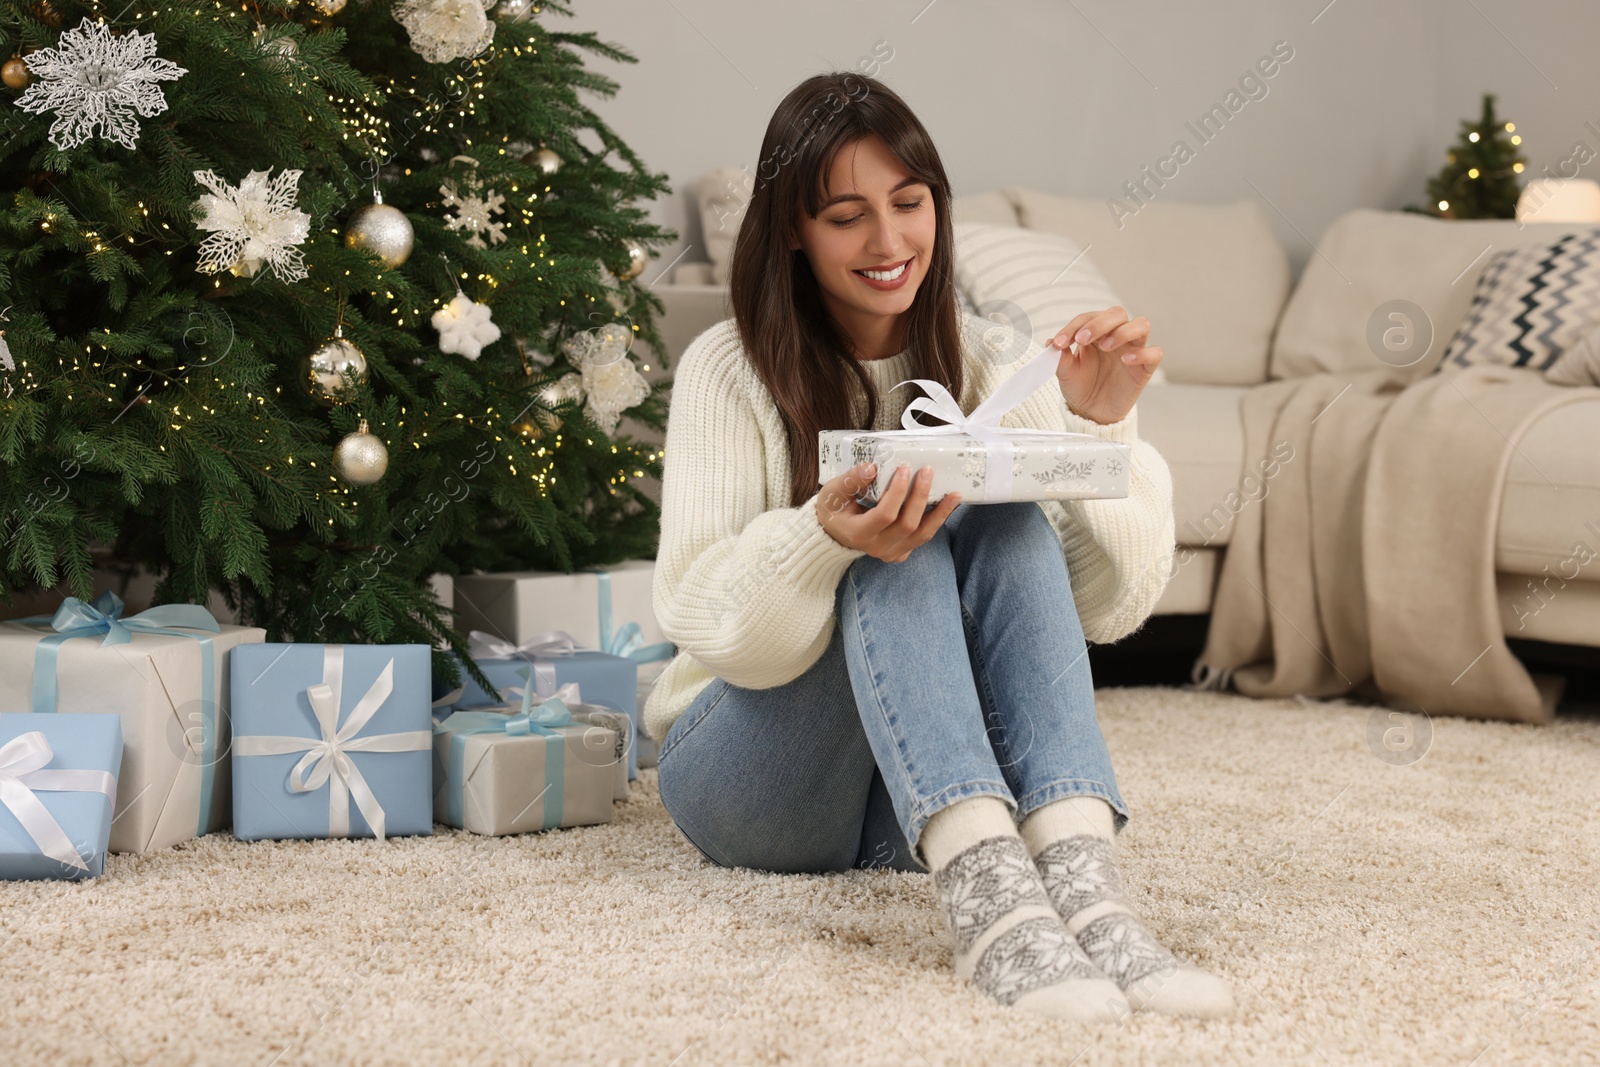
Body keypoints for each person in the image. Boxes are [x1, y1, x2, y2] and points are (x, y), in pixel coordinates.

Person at [643, 71, 1232, 1024]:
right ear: (793, 228)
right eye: (846, 216)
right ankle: (997, 915)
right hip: (747, 779)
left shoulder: (995, 359)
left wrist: (1097, 431)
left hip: (902, 797)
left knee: (999, 515)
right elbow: (708, 623)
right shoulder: (728, 368)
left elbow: (1107, 608)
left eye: (909, 204)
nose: (889, 243)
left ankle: (1083, 890)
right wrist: (821, 540)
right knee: (899, 535)